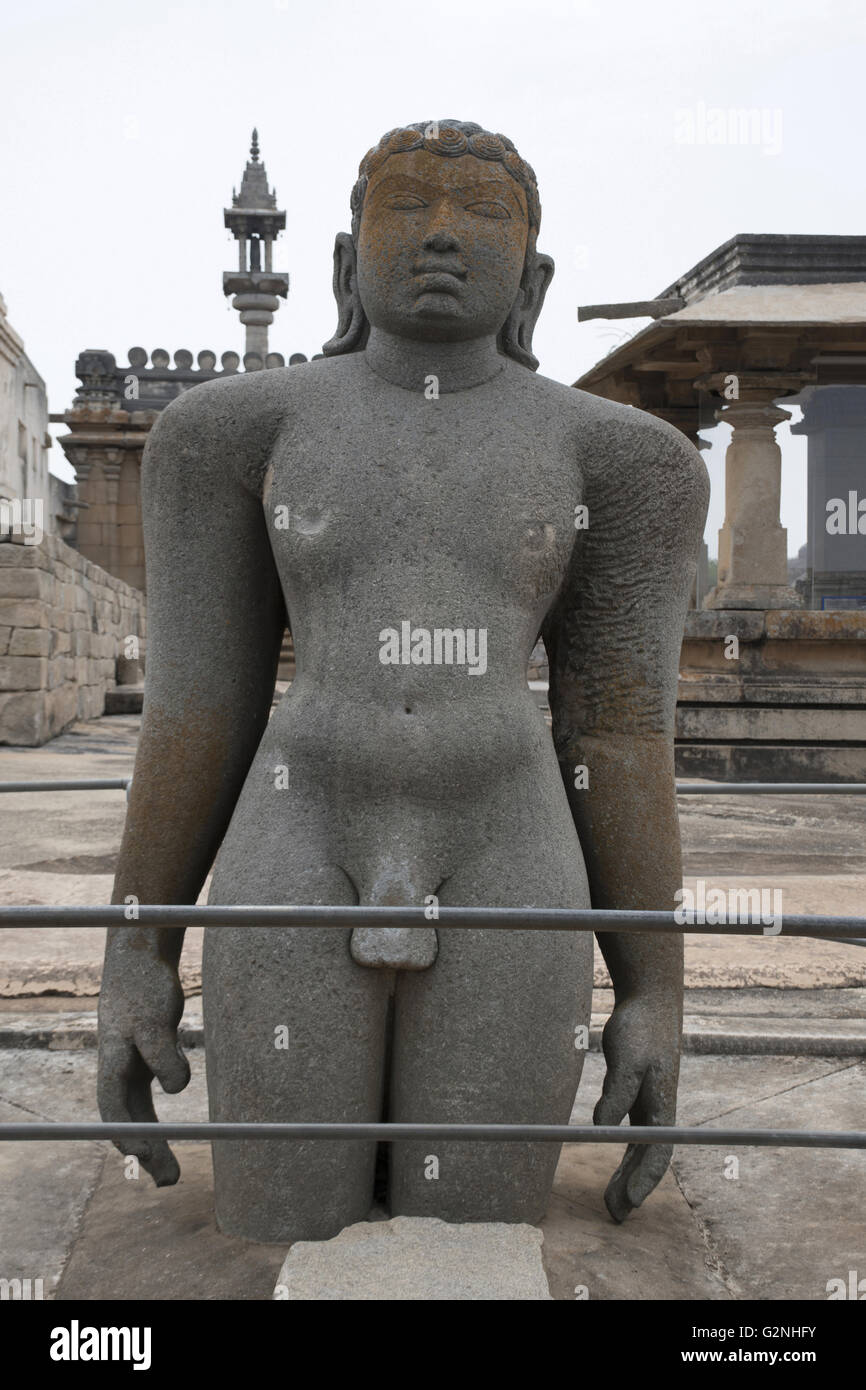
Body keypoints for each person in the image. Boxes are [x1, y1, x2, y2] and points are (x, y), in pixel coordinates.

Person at [97, 120, 709, 1243]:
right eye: (406, 205)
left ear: (532, 275)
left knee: (475, 1228)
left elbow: (617, 731)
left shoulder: (621, 459)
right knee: (280, 1214)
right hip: (300, 826)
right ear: (343, 261)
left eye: (479, 211)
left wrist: (652, 990)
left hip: (505, 837)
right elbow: (198, 707)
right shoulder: (231, 431)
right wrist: (137, 949)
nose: (438, 233)